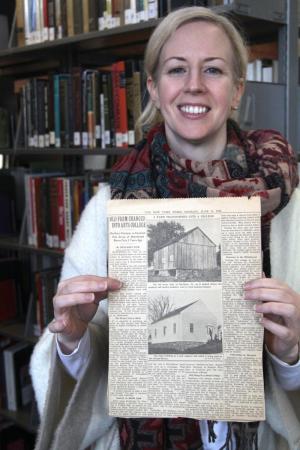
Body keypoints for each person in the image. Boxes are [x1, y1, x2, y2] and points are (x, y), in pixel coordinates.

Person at [30, 6, 300, 450]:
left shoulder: (288, 204)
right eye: (177, 69)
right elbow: (78, 372)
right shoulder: (109, 207)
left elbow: (292, 368)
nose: (194, 84)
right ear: (154, 88)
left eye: (213, 69)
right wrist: (76, 338)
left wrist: (289, 353)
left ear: (236, 90)